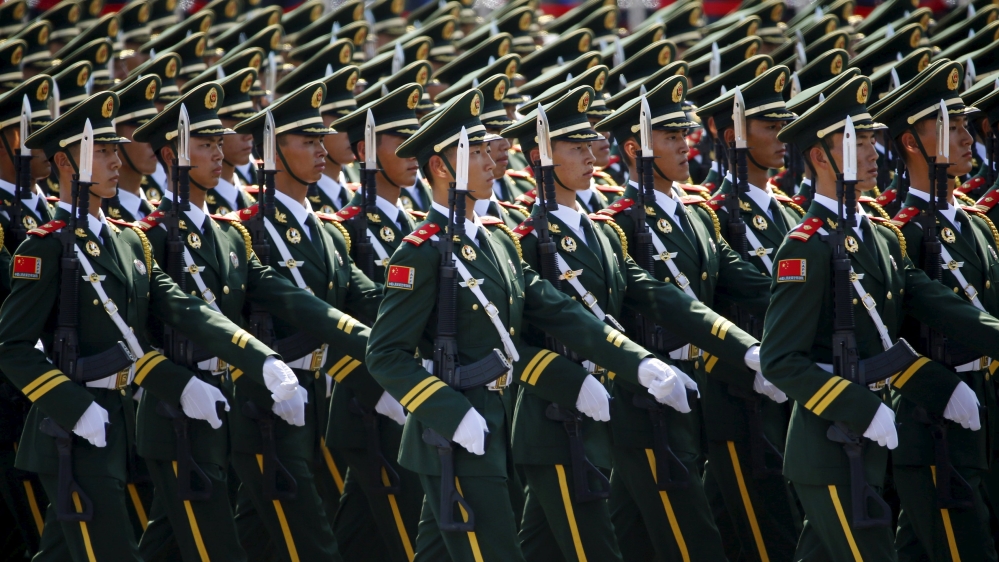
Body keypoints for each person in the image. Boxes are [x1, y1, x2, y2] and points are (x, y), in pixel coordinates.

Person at [367, 83, 728, 561]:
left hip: (493, 423)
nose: (492, 162)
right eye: (477, 153)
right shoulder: (421, 251)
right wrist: (451, 414)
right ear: (440, 166)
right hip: (452, 434)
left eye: (488, 151)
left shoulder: (496, 242)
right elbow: (385, 355)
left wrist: (639, 364)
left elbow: (561, 312)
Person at [2, 90, 301, 561]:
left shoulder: (127, 242)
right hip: (70, 431)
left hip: (119, 419)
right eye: (101, 151)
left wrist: (257, 358)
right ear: (64, 162)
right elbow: (12, 347)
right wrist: (74, 407)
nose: (115, 161)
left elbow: (184, 309)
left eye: (114, 150)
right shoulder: (44, 247)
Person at [501, 83, 769, 561]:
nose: (591, 157)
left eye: (589, 145)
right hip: (557, 421)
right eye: (575, 148)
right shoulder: (523, 242)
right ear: (541, 157)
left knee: (573, 545)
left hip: (608, 414)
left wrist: (744, 348)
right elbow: (509, 341)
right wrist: (574, 380)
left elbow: (662, 298)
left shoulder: (603, 235)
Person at [763, 74, 999, 561]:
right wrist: (861, 408)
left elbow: (937, 303)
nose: (873, 152)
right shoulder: (805, 246)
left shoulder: (881, 236)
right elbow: (781, 360)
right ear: (819, 156)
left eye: (872, 140)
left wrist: (938, 385)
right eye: (857, 142)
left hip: (865, 444)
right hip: (830, 447)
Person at [232, 80, 408, 562]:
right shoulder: (248, 228)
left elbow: (369, 297)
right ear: (273, 152)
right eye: (308, 142)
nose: (322, 152)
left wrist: (419, 323)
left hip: (321, 398)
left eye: (321, 140)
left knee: (260, 539)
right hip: (269, 405)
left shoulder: (327, 232)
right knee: (310, 541)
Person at [873, 60, 999, 562]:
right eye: (951, 127)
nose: (967, 138)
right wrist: (938, 388)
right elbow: (884, 335)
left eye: (966, 125)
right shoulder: (900, 232)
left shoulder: (977, 224)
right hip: (934, 422)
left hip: (984, 410)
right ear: (911, 143)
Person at [331, 83, 425, 285]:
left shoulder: (417, 223)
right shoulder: (346, 229)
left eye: (414, 143)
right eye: (403, 144)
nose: (413, 154)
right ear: (365, 151)